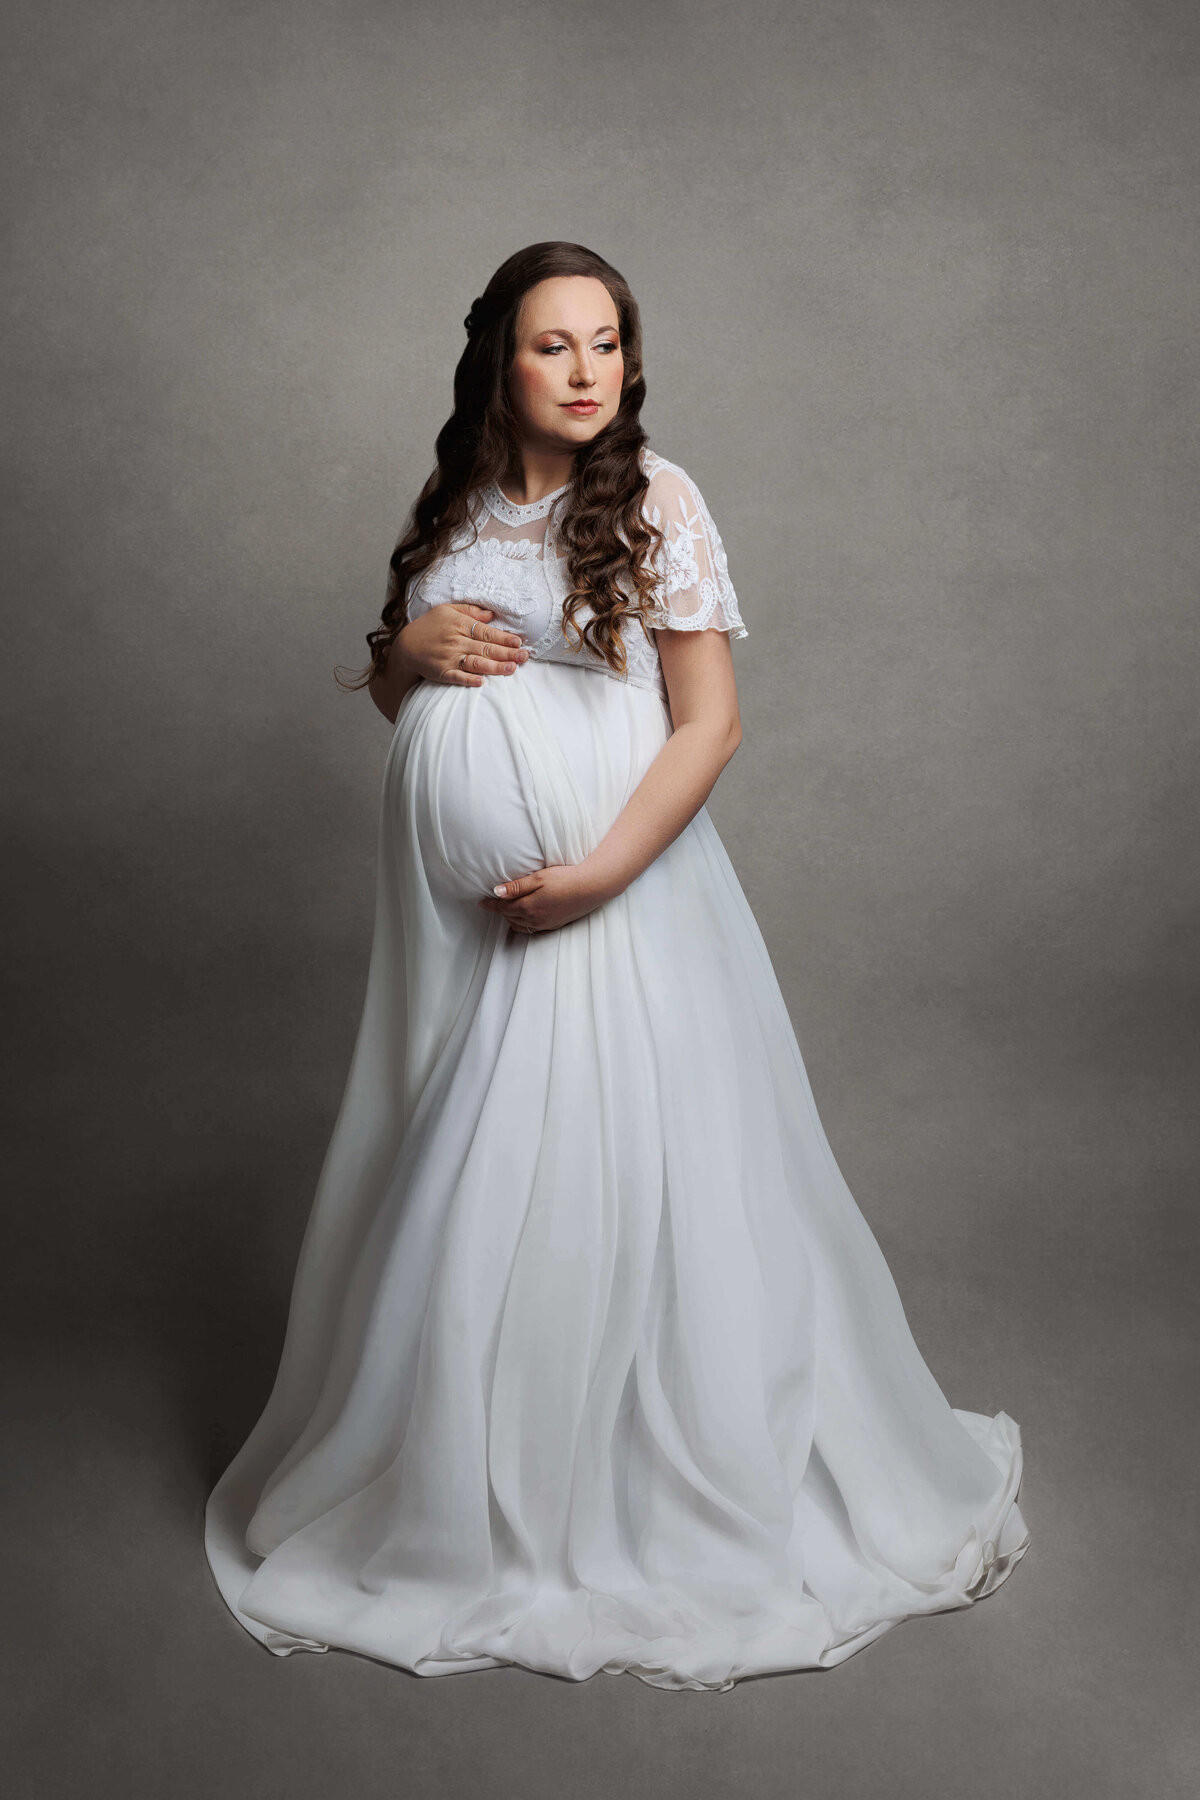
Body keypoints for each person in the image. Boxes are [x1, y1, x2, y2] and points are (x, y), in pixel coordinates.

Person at [203, 241, 1029, 1693]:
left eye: (606, 345)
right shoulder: (456, 494)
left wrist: (599, 872)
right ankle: (484, 1479)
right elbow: (410, 699)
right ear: (498, 363)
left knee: (597, 1177)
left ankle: (618, 1495)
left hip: (614, 894)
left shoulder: (657, 496)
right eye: (553, 347)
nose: (588, 373)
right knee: (483, 1180)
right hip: (472, 930)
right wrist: (409, 649)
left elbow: (707, 721)